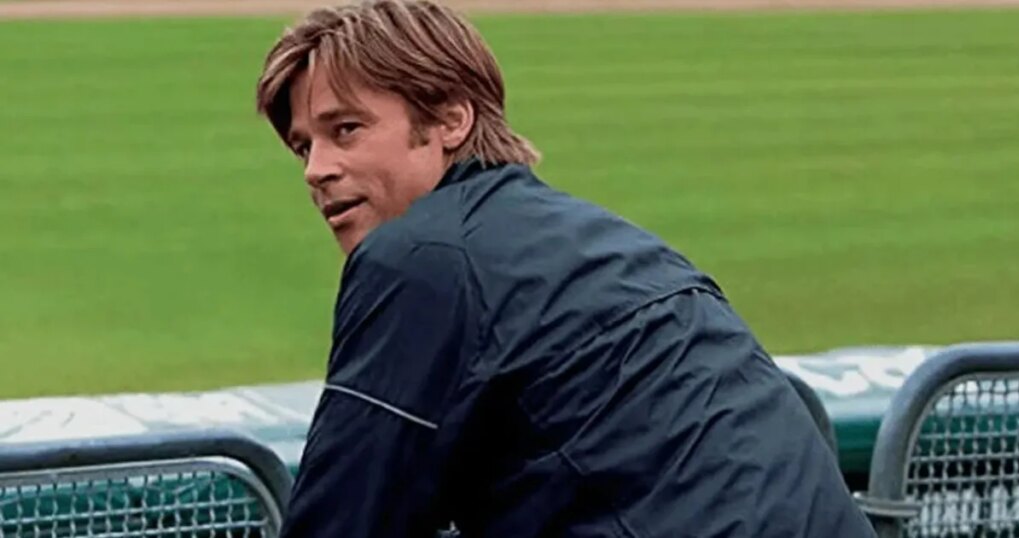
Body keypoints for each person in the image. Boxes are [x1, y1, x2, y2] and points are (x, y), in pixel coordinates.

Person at [255, 1, 877, 536]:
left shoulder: (418, 259)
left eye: (346, 130)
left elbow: (341, 520)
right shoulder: (611, 241)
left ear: (450, 120)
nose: (316, 170)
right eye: (304, 146)